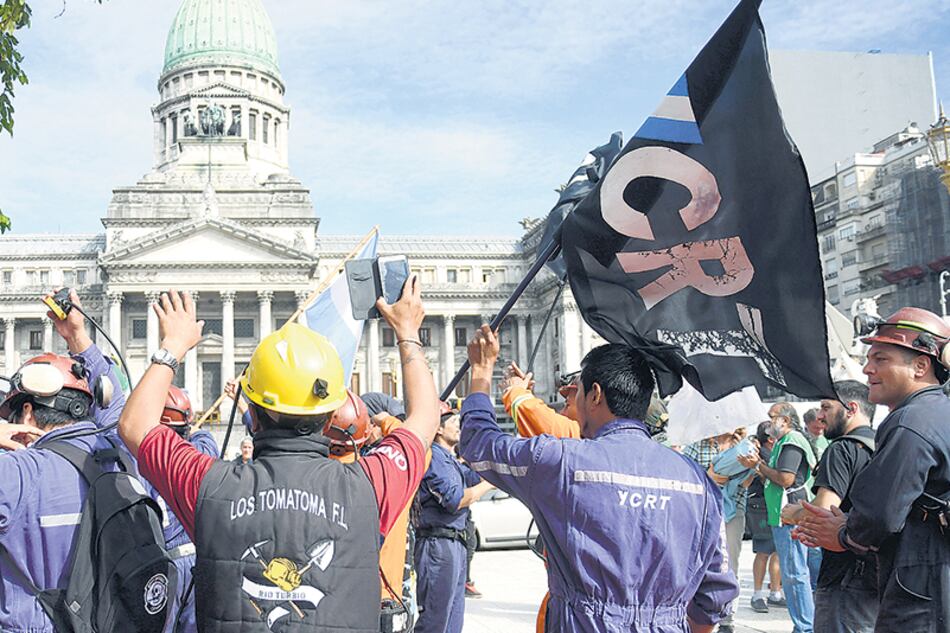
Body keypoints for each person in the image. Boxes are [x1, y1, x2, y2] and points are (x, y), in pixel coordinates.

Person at [118, 281, 439, 632]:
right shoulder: (370, 487)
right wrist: (408, 334)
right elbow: (425, 419)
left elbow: (135, 425)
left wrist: (172, 347)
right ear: (330, 419)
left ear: (253, 417)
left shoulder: (208, 486)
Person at [460, 326, 739, 633]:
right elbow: (715, 594)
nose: (571, 403)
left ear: (595, 394)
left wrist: (481, 370)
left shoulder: (561, 462)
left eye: (576, 392)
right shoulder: (698, 482)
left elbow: (478, 443)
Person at [795, 307, 950, 631]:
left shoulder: (911, 422)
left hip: (923, 595)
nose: (867, 369)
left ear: (920, 366)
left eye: (881, 359)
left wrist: (844, 534)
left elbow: (881, 515)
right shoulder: (939, 412)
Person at [0, 290, 125, 631]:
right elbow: (116, 405)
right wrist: (77, 336)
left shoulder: (16, 475)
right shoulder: (118, 455)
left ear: (27, 413)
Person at [783, 381, 878, 633]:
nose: (820, 416)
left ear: (851, 409)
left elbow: (823, 509)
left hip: (844, 579)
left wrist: (794, 513)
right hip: (878, 575)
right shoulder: (885, 445)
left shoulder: (842, 448)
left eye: (826, 407)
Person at [414, 406, 493, 633]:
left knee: (453, 621)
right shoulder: (434, 459)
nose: (459, 426)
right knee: (435, 620)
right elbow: (455, 500)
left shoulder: (451, 460)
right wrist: (488, 485)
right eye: (454, 421)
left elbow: (476, 476)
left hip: (454, 544)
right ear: (438, 429)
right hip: (438, 546)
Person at [738, 402, 816, 633]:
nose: (769, 423)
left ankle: (805, 627)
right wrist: (757, 467)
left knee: (794, 573)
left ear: (786, 421)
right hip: (781, 512)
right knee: (793, 572)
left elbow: (785, 479)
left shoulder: (791, 442)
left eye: (773, 418)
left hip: (789, 512)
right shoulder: (782, 442)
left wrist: (758, 465)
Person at [153, 385, 219, 633]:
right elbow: (204, 437)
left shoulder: (144, 463)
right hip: (198, 561)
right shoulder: (202, 453)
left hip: (165, 564)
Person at [745, 421, 784, 613]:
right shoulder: (760, 455)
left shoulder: (774, 452)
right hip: (761, 506)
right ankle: (757, 594)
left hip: (773, 505)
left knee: (777, 550)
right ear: (770, 438)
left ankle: (775, 592)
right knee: (763, 550)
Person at [500, 361, 581, 438]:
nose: (562, 412)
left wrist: (515, 390)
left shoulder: (580, 434)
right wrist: (524, 392)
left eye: (567, 405)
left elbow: (546, 423)